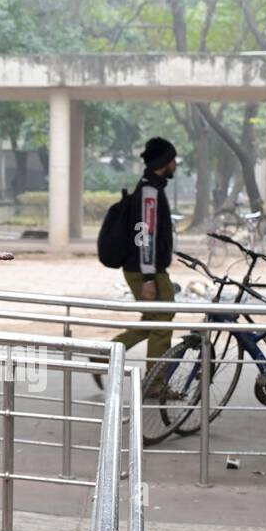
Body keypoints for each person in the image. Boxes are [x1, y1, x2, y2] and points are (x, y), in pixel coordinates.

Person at [105, 137, 178, 393]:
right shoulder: (150, 193)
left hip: (146, 268)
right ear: (163, 162)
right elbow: (145, 235)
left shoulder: (151, 188)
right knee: (163, 322)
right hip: (147, 270)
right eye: (172, 160)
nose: (175, 164)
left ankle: (105, 354)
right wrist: (148, 278)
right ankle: (155, 384)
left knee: (152, 320)